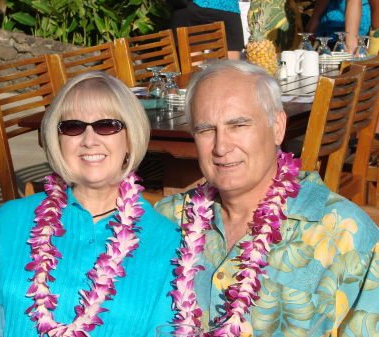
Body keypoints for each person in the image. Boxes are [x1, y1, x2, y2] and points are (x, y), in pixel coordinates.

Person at [0, 71, 181, 337]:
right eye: (73, 126)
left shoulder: (168, 243)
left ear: (130, 137)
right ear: (58, 140)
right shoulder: (6, 223)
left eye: (107, 125)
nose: (89, 140)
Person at [155, 60, 379, 335]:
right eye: (205, 130)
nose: (222, 146)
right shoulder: (168, 220)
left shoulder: (346, 235)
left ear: (277, 127)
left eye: (238, 125)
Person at [169, 0, 245, 59]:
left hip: (192, 7)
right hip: (227, 8)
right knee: (231, 63)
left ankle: (193, 77)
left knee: (192, 63)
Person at [305, 0, 371, 54]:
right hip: (329, 24)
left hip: (354, 24)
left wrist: (351, 42)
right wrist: (315, 18)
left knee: (350, 53)